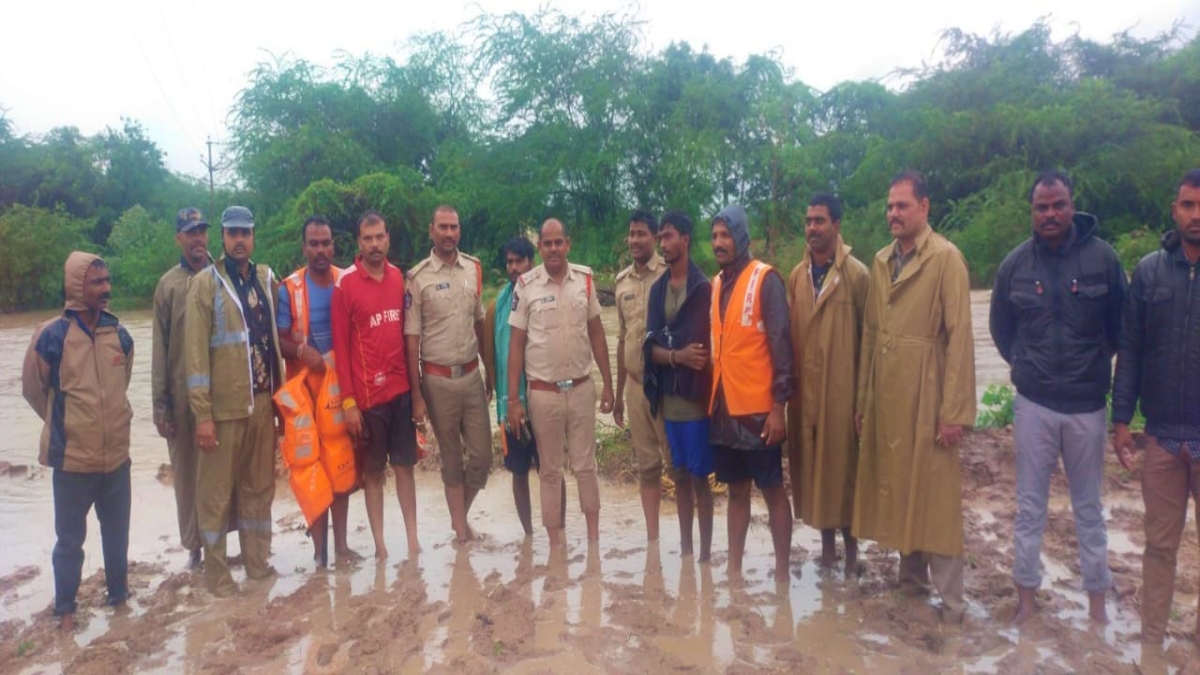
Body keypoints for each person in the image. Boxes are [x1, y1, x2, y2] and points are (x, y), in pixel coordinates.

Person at [990, 170, 1125, 624]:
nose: (1050, 214)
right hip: (1034, 405)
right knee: (1029, 508)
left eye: (1058, 205)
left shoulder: (1104, 260)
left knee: (1089, 509)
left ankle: (1098, 609)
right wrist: (1025, 365)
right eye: (1041, 207)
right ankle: (1026, 605)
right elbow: (1000, 329)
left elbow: (1119, 331)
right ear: (1032, 212)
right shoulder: (1015, 265)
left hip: (1087, 407)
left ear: (1072, 205)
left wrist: (1090, 370)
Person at [853, 170, 976, 622]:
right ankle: (911, 582)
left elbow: (960, 337)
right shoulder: (883, 260)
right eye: (889, 206)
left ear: (925, 207)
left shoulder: (946, 259)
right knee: (903, 486)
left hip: (927, 391)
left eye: (902, 206)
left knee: (936, 496)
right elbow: (870, 335)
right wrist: (864, 403)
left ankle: (954, 602)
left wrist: (955, 411)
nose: (893, 214)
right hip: (887, 391)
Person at [22, 252, 134, 630]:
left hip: (117, 458)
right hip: (72, 461)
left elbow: (122, 386)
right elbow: (34, 391)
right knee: (69, 542)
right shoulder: (51, 337)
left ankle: (119, 598)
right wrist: (64, 423)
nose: (106, 289)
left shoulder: (119, 334)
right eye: (96, 282)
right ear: (75, 287)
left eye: (107, 281)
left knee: (117, 535)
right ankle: (66, 610)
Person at [1112, 168, 1200, 647]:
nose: (1196, 215)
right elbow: (1131, 349)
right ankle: (1151, 641)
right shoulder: (1149, 271)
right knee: (1159, 548)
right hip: (1162, 435)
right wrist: (1122, 420)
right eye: (1188, 205)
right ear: (1174, 210)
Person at [185, 205, 284, 596]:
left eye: (246, 232)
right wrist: (202, 416)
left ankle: (258, 566)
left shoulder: (265, 279)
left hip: (262, 402)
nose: (239, 239)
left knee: (259, 488)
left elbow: (276, 338)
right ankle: (218, 577)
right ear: (222, 239)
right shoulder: (205, 285)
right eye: (232, 233)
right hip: (223, 411)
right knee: (215, 494)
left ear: (253, 236)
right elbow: (195, 356)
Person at [506, 218, 615, 549]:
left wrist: (609, 384)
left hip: (582, 389)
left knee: (586, 466)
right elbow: (516, 344)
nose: (553, 249)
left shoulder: (585, 280)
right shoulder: (525, 286)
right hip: (543, 395)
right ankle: (556, 544)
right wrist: (513, 400)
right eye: (547, 243)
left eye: (558, 242)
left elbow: (597, 333)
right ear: (539, 247)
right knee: (550, 471)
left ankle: (593, 539)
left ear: (568, 244)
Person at [708, 204, 795, 583]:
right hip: (726, 408)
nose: (719, 243)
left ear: (742, 237)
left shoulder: (766, 280)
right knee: (736, 492)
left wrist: (779, 407)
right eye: (714, 236)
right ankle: (734, 568)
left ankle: (780, 571)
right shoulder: (716, 284)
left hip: (760, 411)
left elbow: (781, 345)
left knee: (773, 490)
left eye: (726, 235)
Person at [784, 193, 870, 575]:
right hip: (806, 394)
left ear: (837, 225)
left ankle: (852, 555)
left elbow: (869, 343)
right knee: (815, 470)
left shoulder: (857, 275)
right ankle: (827, 550)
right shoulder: (796, 277)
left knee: (844, 472)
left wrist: (863, 401)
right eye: (808, 221)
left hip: (843, 393)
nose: (812, 229)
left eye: (819, 221)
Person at [332, 211, 420, 560]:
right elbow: (341, 348)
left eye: (380, 237)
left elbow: (408, 336)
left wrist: (417, 396)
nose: (374, 245)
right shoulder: (346, 285)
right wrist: (349, 403)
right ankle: (381, 546)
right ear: (358, 243)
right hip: (368, 400)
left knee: (405, 467)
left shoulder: (400, 278)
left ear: (388, 239)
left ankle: (413, 540)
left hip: (400, 391)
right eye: (367, 239)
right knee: (373, 474)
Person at [405, 205, 493, 543]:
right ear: (431, 231)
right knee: (452, 460)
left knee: (482, 457)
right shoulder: (418, 277)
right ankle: (460, 529)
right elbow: (412, 341)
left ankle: (460, 516)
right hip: (437, 380)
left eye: (454, 227)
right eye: (442, 227)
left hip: (471, 375)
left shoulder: (473, 269)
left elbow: (479, 323)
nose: (449, 234)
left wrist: (489, 372)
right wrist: (416, 396)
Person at [277, 215, 360, 567]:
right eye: (314, 243)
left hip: (340, 391)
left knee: (339, 463)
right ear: (304, 247)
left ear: (334, 245)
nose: (321, 249)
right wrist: (300, 352)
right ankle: (319, 553)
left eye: (326, 243)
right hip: (303, 396)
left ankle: (341, 548)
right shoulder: (290, 288)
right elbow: (277, 339)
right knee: (311, 470)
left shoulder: (346, 281)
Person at [482, 236, 567, 535]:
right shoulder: (497, 306)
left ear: (532, 262)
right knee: (518, 473)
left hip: (545, 400)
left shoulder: (546, 298)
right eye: (510, 262)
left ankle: (558, 531)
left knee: (551, 470)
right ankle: (530, 535)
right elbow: (488, 348)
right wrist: (492, 384)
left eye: (520, 261)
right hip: (511, 404)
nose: (514, 267)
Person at [644, 210, 715, 561]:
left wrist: (675, 354)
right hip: (669, 401)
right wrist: (678, 356)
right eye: (661, 237)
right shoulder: (658, 291)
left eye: (669, 236)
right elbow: (649, 349)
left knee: (701, 478)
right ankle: (687, 551)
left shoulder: (704, 289)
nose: (663, 243)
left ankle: (704, 554)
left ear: (685, 240)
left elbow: (703, 351)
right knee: (680, 477)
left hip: (697, 400)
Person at [152, 207, 212, 570]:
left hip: (218, 394)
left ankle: (220, 539)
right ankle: (194, 546)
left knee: (219, 473)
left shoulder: (221, 276)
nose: (198, 239)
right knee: (187, 474)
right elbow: (159, 349)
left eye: (202, 231)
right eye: (191, 233)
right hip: (179, 395)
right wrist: (160, 406)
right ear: (179, 238)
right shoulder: (168, 286)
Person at [614, 210, 672, 542]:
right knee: (647, 468)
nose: (635, 240)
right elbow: (622, 340)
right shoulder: (622, 282)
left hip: (666, 388)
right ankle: (653, 540)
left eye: (642, 234)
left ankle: (687, 542)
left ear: (655, 237)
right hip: (635, 389)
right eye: (631, 234)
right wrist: (619, 394)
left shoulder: (669, 276)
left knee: (678, 467)